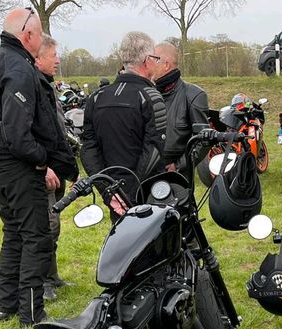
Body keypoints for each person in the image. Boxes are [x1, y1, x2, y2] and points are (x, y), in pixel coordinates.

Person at [0, 7, 78, 325]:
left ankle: (7, 306)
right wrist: (41, 159)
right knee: (35, 235)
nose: (42, 39)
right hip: (14, 165)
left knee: (14, 232)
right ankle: (31, 311)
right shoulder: (17, 67)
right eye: (40, 33)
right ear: (28, 35)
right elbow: (17, 133)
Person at [80, 31, 167, 216]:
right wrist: (130, 193)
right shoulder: (151, 97)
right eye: (156, 58)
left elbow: (88, 149)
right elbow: (153, 150)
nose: (157, 63)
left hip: (114, 194)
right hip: (146, 194)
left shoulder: (96, 98)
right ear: (147, 60)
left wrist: (109, 191)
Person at [33, 35, 75, 302]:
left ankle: (53, 274)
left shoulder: (48, 86)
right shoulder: (33, 87)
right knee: (46, 225)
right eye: (53, 55)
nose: (58, 60)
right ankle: (42, 282)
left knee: (54, 225)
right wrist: (42, 166)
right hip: (41, 170)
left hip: (55, 169)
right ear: (38, 58)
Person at [151, 41, 208, 184]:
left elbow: (203, 140)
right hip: (147, 174)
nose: (150, 64)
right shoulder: (147, 94)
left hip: (177, 179)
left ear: (166, 64)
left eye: (154, 60)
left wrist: (178, 166)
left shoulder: (193, 95)